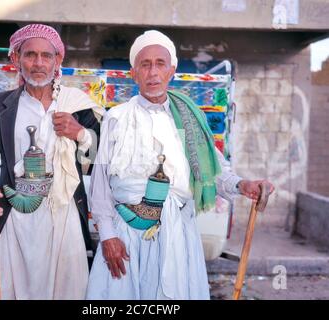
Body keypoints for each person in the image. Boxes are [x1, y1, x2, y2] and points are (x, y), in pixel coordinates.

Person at [86, 30, 274, 300]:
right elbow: (101, 184)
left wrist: (243, 185)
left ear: (171, 71)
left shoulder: (188, 119)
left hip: (177, 234)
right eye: (145, 64)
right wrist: (107, 236)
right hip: (125, 235)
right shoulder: (116, 117)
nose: (153, 72)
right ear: (133, 73)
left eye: (160, 64)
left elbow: (214, 169)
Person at [0, 24, 103, 299]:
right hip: (16, 218)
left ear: (58, 62)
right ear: (16, 58)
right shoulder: (0, 105)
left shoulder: (76, 105)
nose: (38, 63)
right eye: (30, 55)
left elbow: (100, 159)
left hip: (64, 222)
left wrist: (79, 132)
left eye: (47, 56)